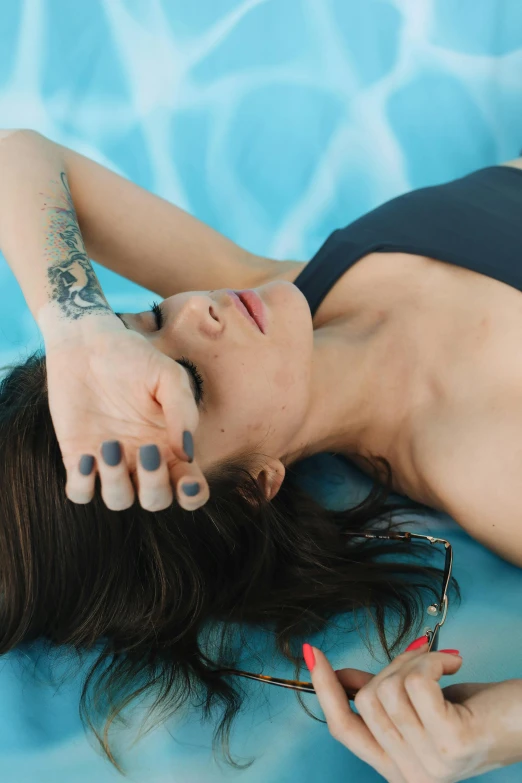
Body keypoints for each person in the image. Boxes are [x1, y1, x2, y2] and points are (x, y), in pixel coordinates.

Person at [0, 128, 521, 780]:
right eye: (191, 383)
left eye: (148, 320)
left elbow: (16, 155)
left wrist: (77, 322)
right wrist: (500, 727)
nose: (199, 314)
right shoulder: (487, 464)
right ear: (254, 485)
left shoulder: (282, 289)